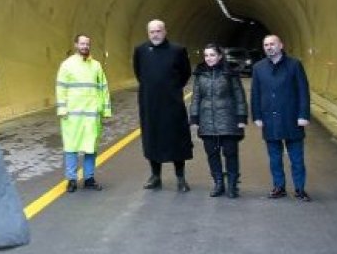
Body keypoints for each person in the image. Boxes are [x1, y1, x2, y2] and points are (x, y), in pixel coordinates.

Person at [133, 19, 194, 191]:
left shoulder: (177, 50)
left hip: (172, 104)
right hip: (149, 103)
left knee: (177, 140)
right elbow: (139, 73)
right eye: (152, 31)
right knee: (152, 139)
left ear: (165, 31)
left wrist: (172, 89)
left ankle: (181, 178)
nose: (155, 34)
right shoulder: (141, 51)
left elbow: (185, 73)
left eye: (158, 31)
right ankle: (155, 176)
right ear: (148, 33)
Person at [251, 34, 312, 201]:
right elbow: (255, 93)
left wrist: (303, 115)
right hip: (269, 118)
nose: (269, 47)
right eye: (266, 45)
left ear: (281, 45)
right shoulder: (258, 67)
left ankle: (300, 189)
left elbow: (303, 92)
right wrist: (257, 115)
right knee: (275, 158)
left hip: (292, 118)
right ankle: (279, 187)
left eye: (272, 44)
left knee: (297, 158)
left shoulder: (294, 65)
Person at [189, 43, 248, 198]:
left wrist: (241, 117)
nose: (209, 58)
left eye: (212, 55)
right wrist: (194, 117)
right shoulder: (200, 74)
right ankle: (219, 183)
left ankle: (232, 185)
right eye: (206, 55)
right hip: (207, 120)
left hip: (228, 119)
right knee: (212, 154)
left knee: (230, 153)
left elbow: (239, 96)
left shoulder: (230, 73)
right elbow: (196, 97)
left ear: (220, 56)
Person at [56, 33, 112, 192]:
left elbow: (103, 88)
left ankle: (89, 178)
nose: (85, 47)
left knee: (91, 148)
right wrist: (62, 108)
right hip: (71, 115)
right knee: (71, 148)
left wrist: (105, 110)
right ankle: (71, 179)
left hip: (91, 115)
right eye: (82, 44)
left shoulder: (96, 66)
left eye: (87, 44)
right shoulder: (66, 65)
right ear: (76, 45)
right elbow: (61, 88)